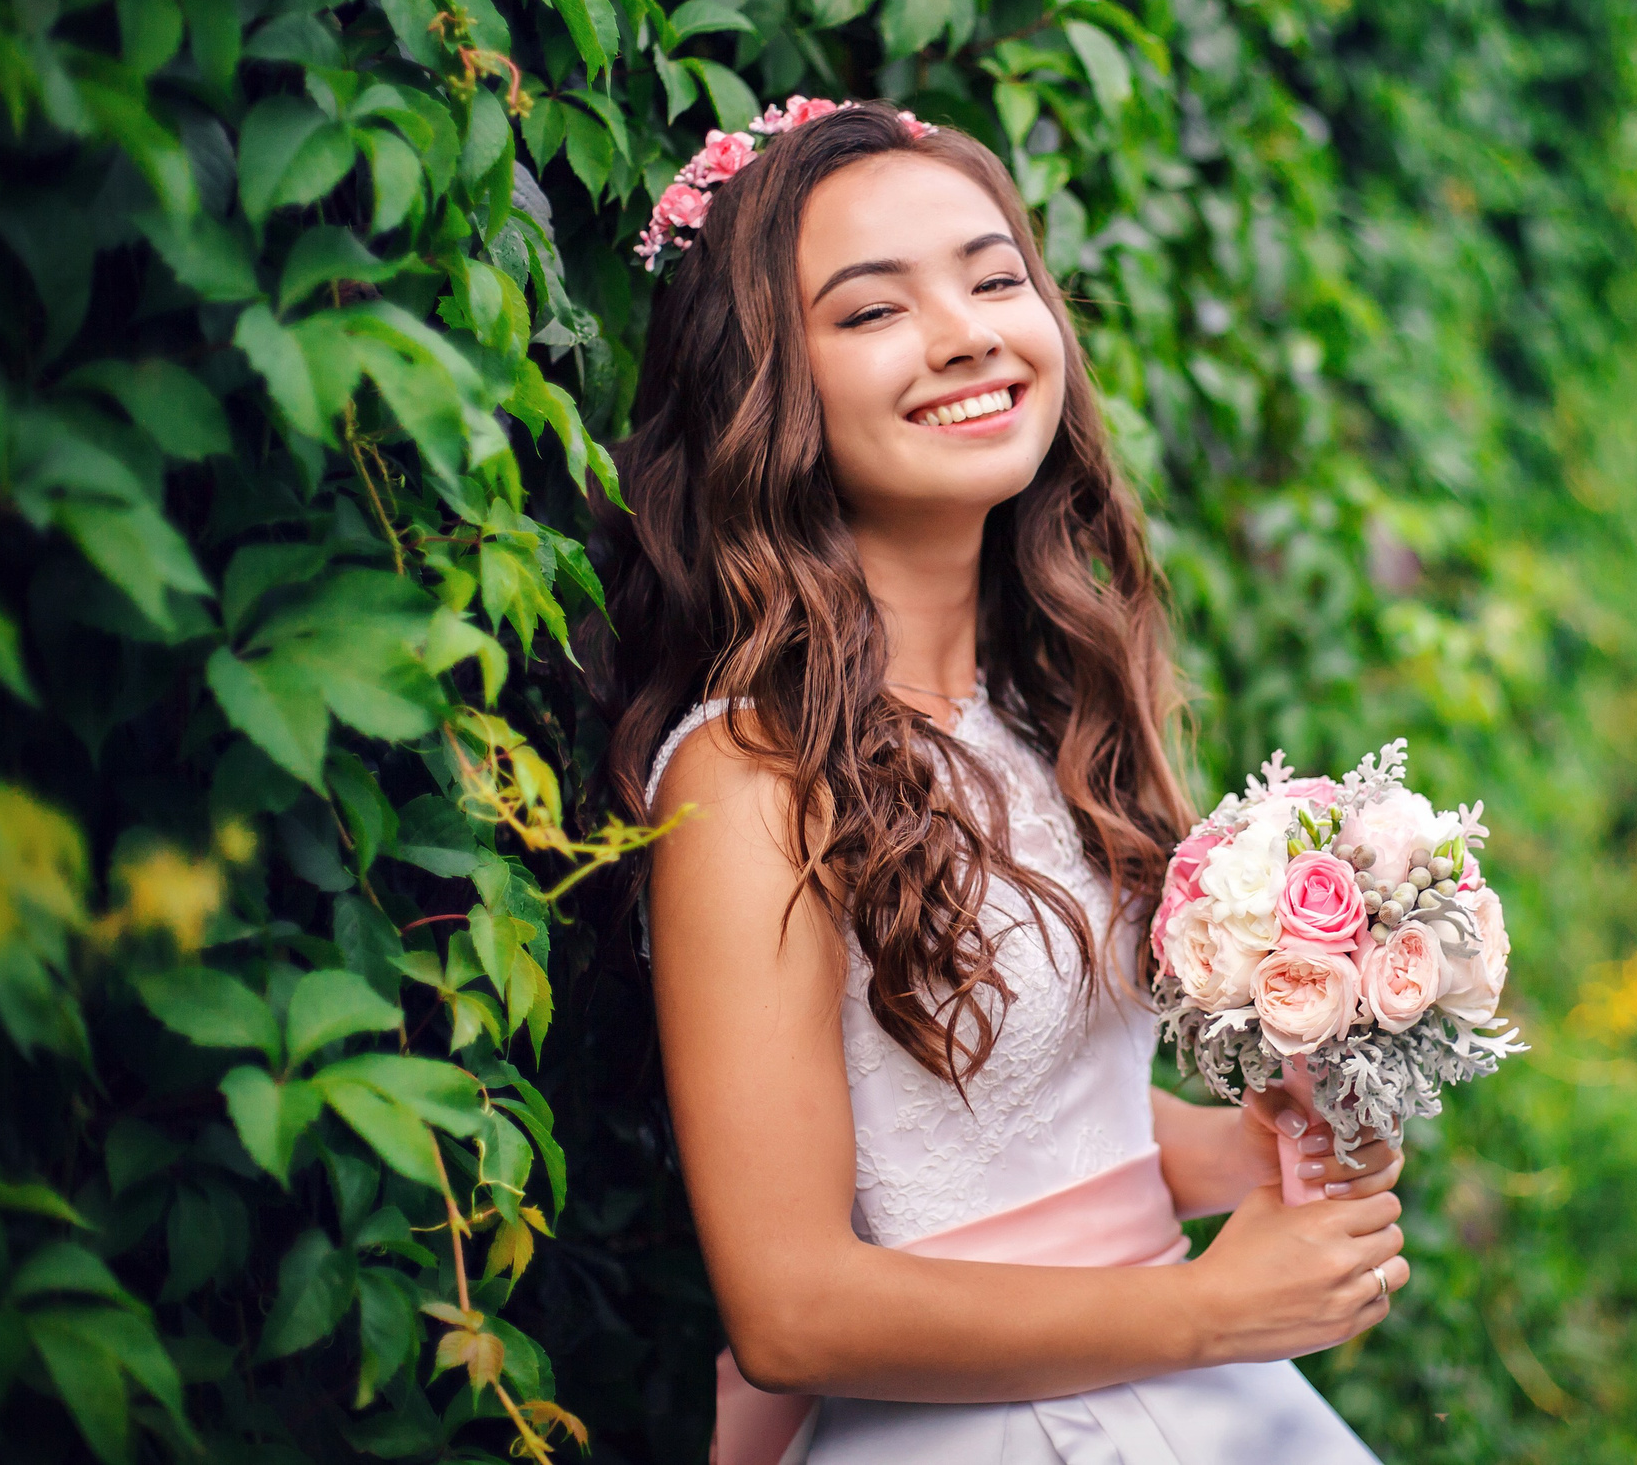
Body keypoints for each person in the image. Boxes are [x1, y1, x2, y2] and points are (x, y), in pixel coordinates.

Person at [586, 100, 1405, 1464]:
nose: (964, 332)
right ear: (764, 390)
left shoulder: (1048, 707)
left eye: (992, 276)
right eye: (871, 312)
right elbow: (790, 1309)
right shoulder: (750, 777)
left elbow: (993, 1108)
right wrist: (1209, 1314)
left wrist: (1244, 1150)